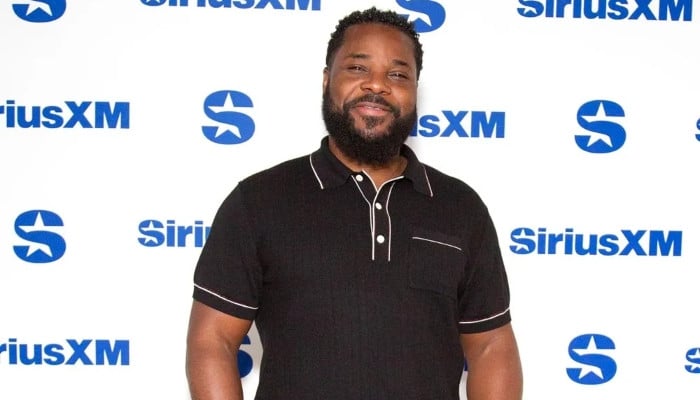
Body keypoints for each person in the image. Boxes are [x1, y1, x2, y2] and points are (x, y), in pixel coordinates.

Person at [186, 7, 523, 400]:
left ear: (415, 90)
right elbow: (213, 341)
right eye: (358, 68)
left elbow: (491, 346)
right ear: (327, 80)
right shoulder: (259, 201)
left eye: (398, 74)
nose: (377, 85)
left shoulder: (460, 208)